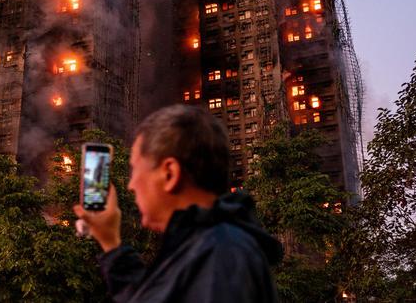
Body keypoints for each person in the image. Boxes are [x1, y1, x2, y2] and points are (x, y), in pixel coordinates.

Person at [73, 105, 283, 302]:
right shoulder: (206, 248)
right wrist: (110, 242)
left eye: (135, 169)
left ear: (169, 173)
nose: (131, 185)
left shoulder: (221, 258)